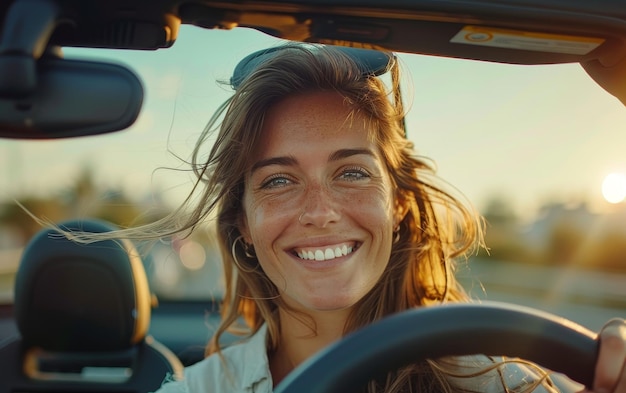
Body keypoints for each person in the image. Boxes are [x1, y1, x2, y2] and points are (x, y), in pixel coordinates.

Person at [64, 43, 626, 392]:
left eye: (352, 173)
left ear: (398, 202)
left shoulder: (500, 385)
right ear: (243, 225)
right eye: (279, 181)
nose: (320, 213)